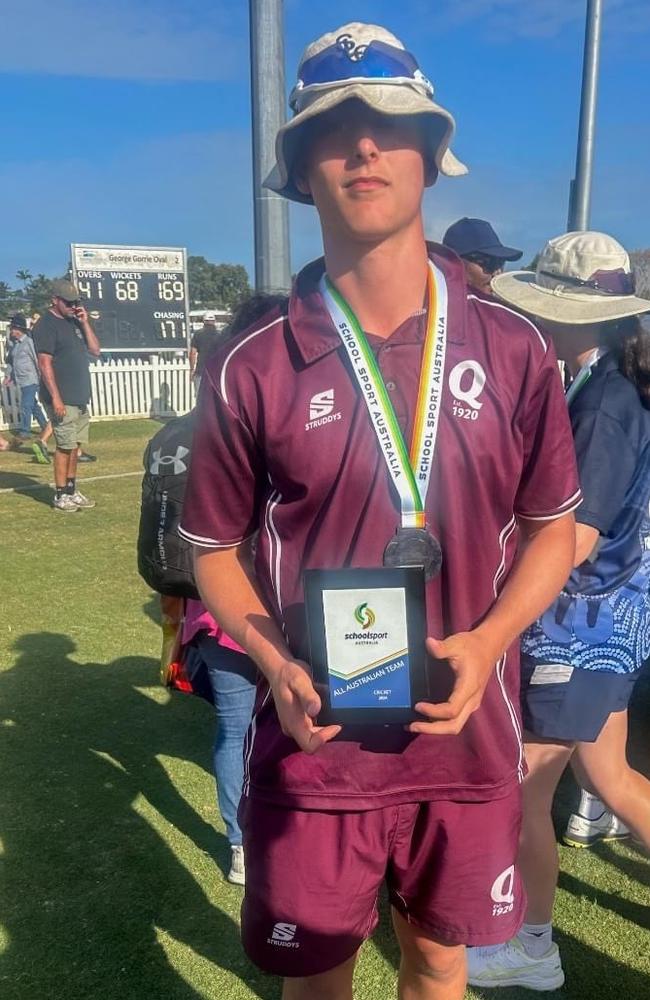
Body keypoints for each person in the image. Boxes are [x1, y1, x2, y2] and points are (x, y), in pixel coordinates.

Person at [179, 23, 580, 1000]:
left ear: (432, 154)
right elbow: (212, 549)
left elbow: (551, 530)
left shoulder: (514, 348)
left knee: (439, 962)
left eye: (389, 124)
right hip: (315, 750)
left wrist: (487, 642)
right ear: (299, 166)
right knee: (315, 980)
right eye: (334, 127)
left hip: (466, 738)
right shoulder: (253, 361)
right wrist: (272, 664)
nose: (362, 145)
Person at [467, 231, 650, 992]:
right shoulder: (605, 380)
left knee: (525, 792)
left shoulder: (605, 398)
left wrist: (488, 581)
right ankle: (529, 938)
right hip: (609, 620)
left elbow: (574, 537)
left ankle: (532, 946)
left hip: (579, 625)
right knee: (612, 781)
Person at [32, 279, 100, 511]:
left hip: (79, 395)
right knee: (63, 446)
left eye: (76, 302)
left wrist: (85, 322)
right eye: (69, 302)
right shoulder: (46, 325)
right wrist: (56, 398)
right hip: (62, 396)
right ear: (55, 300)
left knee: (74, 446)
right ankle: (61, 494)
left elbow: (95, 350)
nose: (73, 306)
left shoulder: (75, 322)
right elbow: (44, 364)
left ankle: (72, 489)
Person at [4, 314, 52, 462]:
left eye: (13, 329)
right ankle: (45, 426)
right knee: (33, 406)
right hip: (21, 380)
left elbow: (37, 360)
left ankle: (24, 431)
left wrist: (41, 377)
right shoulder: (16, 345)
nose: (11, 332)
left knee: (26, 405)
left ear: (19, 329)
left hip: (31, 379)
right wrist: (9, 376)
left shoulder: (29, 342)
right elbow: (12, 362)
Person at [442, 217, 522, 295]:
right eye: (488, 263)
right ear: (453, 263)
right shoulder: (436, 305)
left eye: (501, 263)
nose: (497, 273)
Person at [189, 312, 222, 386]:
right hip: (216, 371)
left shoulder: (198, 334)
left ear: (203, 321)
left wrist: (192, 369)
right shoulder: (220, 335)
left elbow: (193, 353)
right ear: (214, 321)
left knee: (200, 396)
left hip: (201, 371)